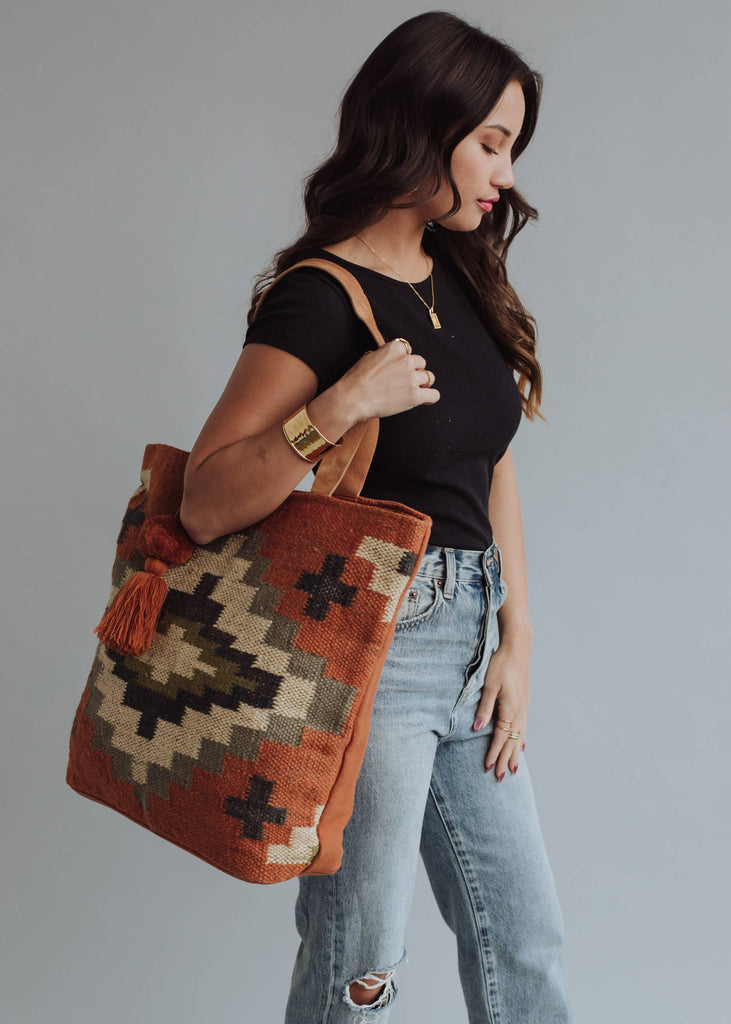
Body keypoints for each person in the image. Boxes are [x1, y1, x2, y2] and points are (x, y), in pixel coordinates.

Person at [180, 10, 573, 1023]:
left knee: (525, 946)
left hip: (468, 643)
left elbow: (485, 468)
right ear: (422, 120)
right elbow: (205, 496)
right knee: (361, 967)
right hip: (369, 659)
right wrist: (337, 408)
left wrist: (518, 641)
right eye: (490, 141)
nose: (505, 174)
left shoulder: (461, 276)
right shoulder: (319, 296)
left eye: (511, 148)